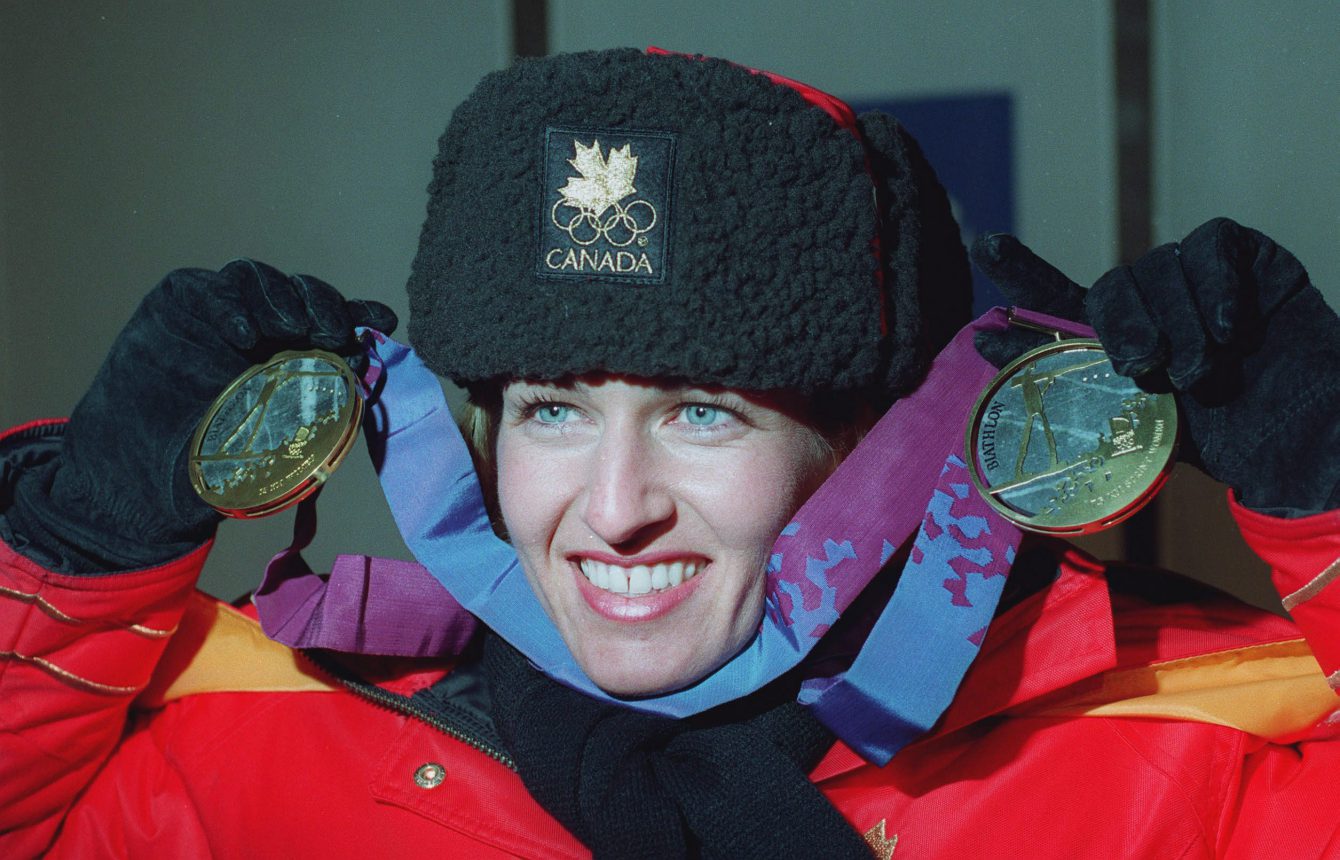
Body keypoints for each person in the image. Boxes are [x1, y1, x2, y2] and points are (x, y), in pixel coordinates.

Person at [2, 47, 1338, 859]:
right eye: (554, 410)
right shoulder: (252, 745)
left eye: (707, 413)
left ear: (864, 453)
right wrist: (79, 544)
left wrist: (1332, 503)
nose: (614, 510)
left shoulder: (1175, 752)